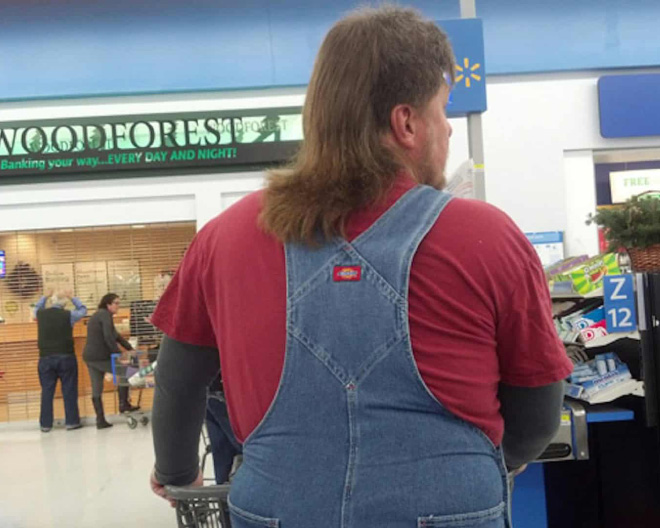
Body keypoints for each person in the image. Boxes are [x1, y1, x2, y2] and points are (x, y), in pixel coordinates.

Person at [150, 6, 573, 527]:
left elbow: (176, 380)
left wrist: (177, 471)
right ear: (407, 123)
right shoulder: (485, 237)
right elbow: (536, 411)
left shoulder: (224, 238)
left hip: (277, 510)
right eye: (443, 111)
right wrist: (470, 469)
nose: (448, 130)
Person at [83, 293, 139, 429]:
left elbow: (116, 335)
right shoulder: (104, 315)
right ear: (108, 304)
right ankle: (123, 404)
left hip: (90, 357)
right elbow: (108, 336)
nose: (118, 306)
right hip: (100, 356)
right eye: (116, 303)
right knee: (128, 372)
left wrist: (129, 348)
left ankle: (100, 420)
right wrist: (119, 354)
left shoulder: (99, 315)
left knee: (97, 389)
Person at [34, 289, 87, 432]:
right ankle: (71, 422)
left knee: (47, 392)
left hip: (45, 358)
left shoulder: (40, 314)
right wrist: (72, 297)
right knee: (69, 390)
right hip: (66, 357)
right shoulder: (68, 315)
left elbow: (36, 308)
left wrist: (45, 296)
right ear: (64, 304)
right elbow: (83, 310)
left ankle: (45, 425)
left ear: (51, 302)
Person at [205, 373, 242, 484]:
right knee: (251, 451)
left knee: (222, 451)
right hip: (232, 390)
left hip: (211, 389)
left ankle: (224, 495)